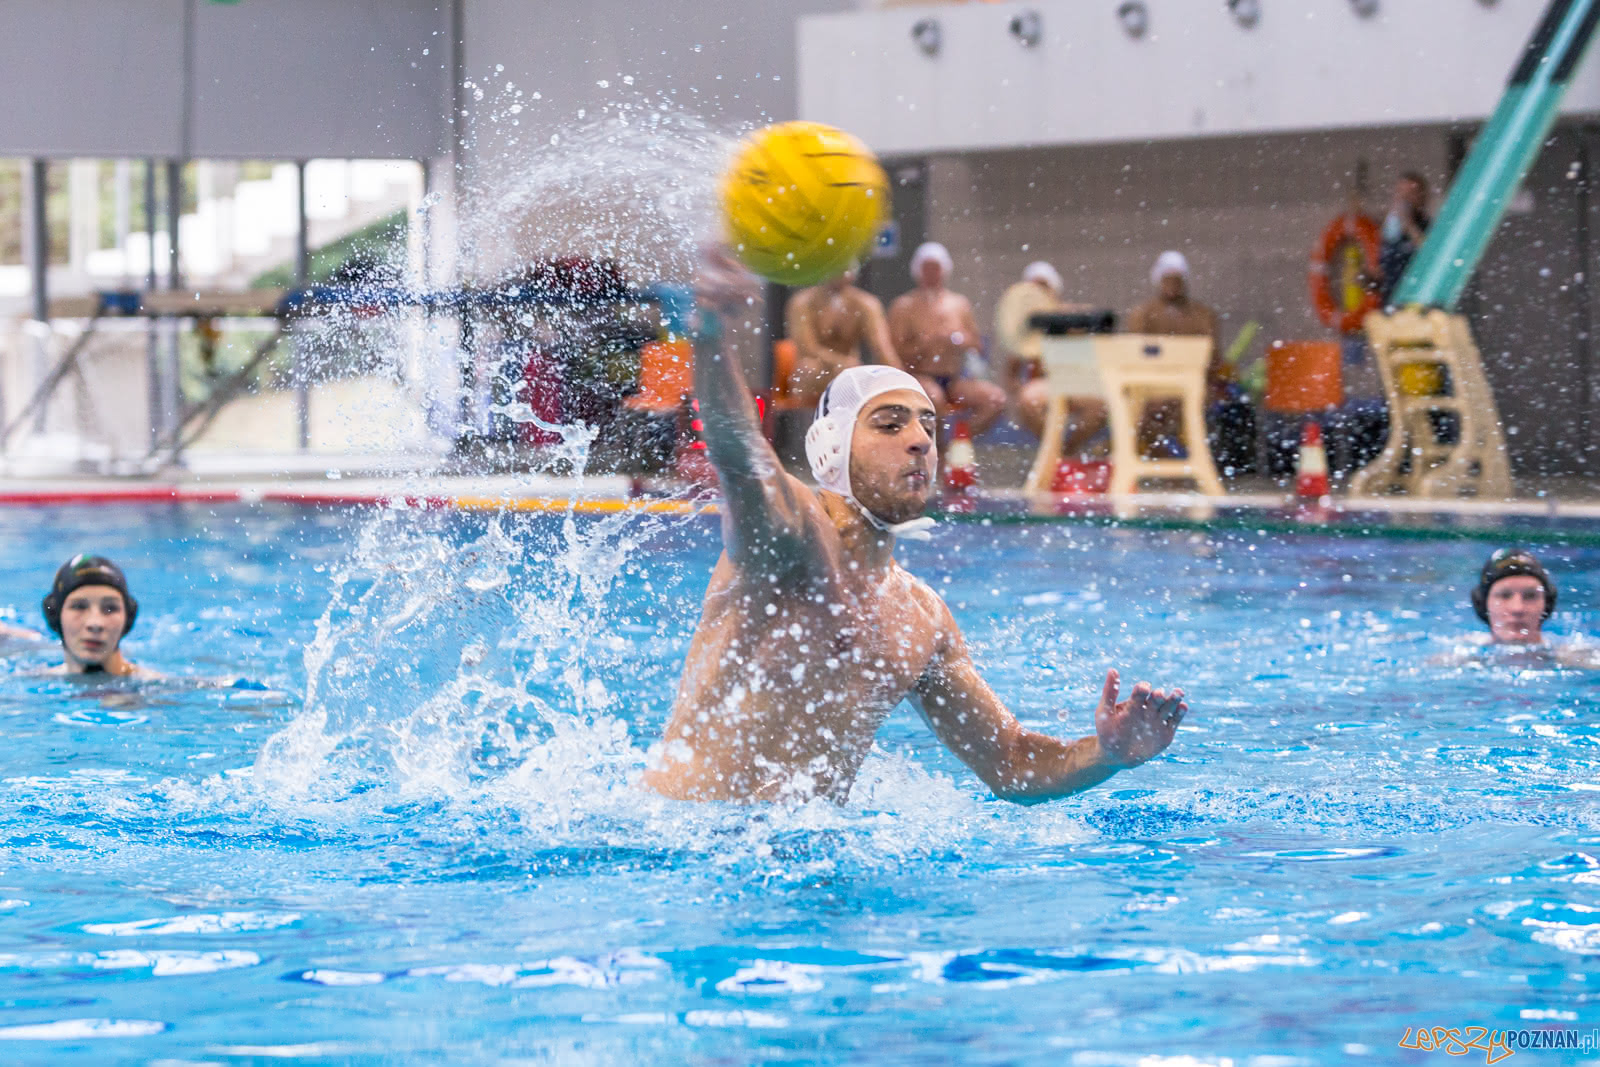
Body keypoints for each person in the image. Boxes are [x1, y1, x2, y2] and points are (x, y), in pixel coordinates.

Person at [640, 247, 1188, 805]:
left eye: (928, 424)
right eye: (889, 424)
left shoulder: (921, 618)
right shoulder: (792, 533)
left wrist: (1109, 754)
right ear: (832, 448)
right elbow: (741, 454)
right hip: (678, 848)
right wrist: (709, 330)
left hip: (805, 865)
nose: (922, 440)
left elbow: (1010, 761)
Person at [887, 242, 1007, 435]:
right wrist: (926, 343)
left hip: (954, 380)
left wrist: (957, 339)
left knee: (995, 400)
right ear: (917, 271)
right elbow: (893, 353)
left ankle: (959, 440)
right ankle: (938, 448)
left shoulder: (959, 304)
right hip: (920, 376)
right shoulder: (904, 307)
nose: (932, 274)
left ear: (945, 270)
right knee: (933, 400)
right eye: (927, 268)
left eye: (936, 268)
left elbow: (978, 345)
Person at [995, 260, 1107, 456]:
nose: (1039, 294)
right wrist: (1017, 393)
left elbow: (1097, 355)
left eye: (1043, 287)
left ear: (1054, 290)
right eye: (1034, 289)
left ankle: (1068, 449)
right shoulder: (1026, 329)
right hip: (1045, 386)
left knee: (1103, 405)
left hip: (1076, 383)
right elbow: (1011, 371)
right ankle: (1055, 451)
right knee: (1029, 400)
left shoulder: (1073, 317)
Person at [1124, 250, 1228, 455]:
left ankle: (1181, 456)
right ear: (1159, 281)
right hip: (1151, 385)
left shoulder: (1202, 315)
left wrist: (1200, 380)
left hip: (1192, 384)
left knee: (1188, 405)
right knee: (1144, 409)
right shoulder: (1142, 314)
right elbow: (1135, 354)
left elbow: (1212, 356)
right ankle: (1164, 455)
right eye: (1168, 280)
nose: (1172, 286)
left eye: (1177, 280)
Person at [783, 266, 902, 404]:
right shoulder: (803, 302)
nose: (839, 274)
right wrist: (839, 361)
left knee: (849, 374)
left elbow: (881, 347)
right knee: (809, 370)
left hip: (847, 367)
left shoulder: (865, 304)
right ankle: (805, 421)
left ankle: (848, 418)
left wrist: (899, 377)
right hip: (815, 368)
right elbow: (807, 347)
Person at [41, 554, 150, 677]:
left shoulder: (157, 690)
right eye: (79, 606)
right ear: (55, 616)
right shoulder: (35, 682)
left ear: (128, 618)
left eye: (110, 608)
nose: (95, 623)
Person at [1472, 549, 1556, 646]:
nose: (1517, 608)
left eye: (1530, 596)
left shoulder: (1573, 659)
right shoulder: (1458, 655)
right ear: (1482, 605)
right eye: (1504, 595)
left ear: (1547, 605)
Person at [1379, 171, 1431, 305]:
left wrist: (1408, 225)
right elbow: (1384, 270)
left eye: (1410, 194)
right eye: (1400, 193)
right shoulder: (1390, 230)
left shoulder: (1427, 227)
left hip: (1416, 300)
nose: (1404, 198)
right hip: (1391, 301)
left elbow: (1430, 255)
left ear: (1422, 197)